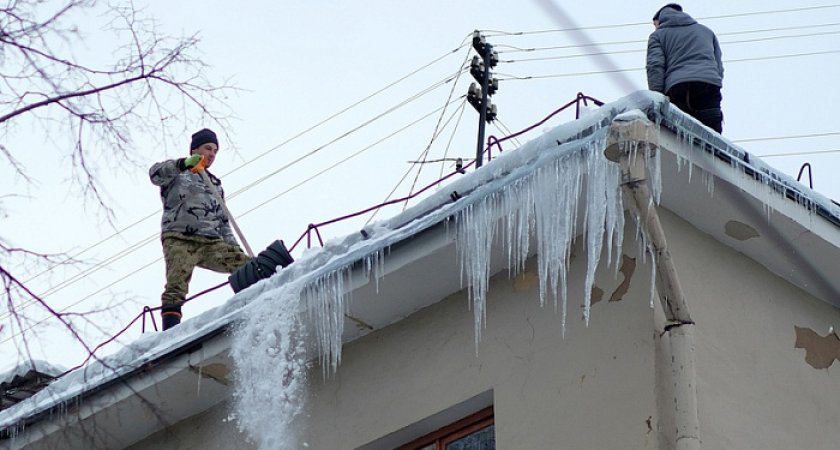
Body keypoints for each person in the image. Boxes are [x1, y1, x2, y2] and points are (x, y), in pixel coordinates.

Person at [149, 128, 251, 330]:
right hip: (179, 238)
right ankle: (169, 333)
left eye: (215, 150)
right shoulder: (177, 173)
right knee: (176, 285)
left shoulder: (215, 184)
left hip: (211, 243)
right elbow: (155, 174)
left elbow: (223, 221)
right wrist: (182, 164)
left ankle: (258, 302)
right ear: (196, 149)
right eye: (208, 148)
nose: (212, 154)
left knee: (247, 266)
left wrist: (234, 247)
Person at [646, 4, 724, 133]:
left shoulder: (657, 35)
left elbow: (655, 67)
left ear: (659, 21)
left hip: (678, 89)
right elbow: (718, 66)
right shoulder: (706, 31)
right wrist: (714, 81)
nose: (655, 28)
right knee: (713, 138)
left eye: (655, 25)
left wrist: (658, 98)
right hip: (708, 88)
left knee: (679, 136)